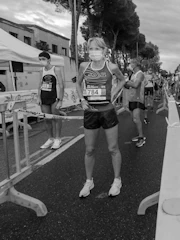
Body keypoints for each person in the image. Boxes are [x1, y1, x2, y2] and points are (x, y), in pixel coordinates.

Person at [76, 37, 125, 198]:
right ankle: (89, 181)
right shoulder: (84, 66)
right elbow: (77, 84)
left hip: (107, 111)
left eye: (97, 49)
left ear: (104, 50)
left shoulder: (111, 67)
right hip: (90, 112)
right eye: (90, 49)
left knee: (113, 148)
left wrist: (114, 93)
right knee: (89, 149)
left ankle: (117, 180)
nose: (93, 52)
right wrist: (82, 100)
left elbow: (122, 79)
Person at [37, 51, 65, 150]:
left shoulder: (56, 69)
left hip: (54, 97)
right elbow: (40, 84)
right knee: (47, 119)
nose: (41, 61)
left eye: (43, 59)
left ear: (49, 60)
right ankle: (50, 138)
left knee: (56, 118)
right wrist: (38, 97)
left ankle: (58, 138)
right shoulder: (41, 70)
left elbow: (61, 85)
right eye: (40, 59)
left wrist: (60, 100)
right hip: (44, 97)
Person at [125, 59, 146, 148]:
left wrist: (127, 82)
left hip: (138, 99)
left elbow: (135, 85)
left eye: (131, 63)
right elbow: (127, 85)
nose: (129, 65)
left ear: (135, 65)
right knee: (134, 119)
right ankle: (139, 134)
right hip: (132, 98)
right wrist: (126, 82)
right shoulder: (133, 74)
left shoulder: (140, 74)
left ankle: (141, 137)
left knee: (136, 118)